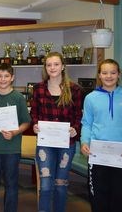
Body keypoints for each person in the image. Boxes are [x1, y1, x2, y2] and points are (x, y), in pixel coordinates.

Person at [80, 59, 122, 212]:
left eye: (113, 73)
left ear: (118, 75)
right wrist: (84, 142)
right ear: (99, 75)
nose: (109, 76)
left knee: (120, 195)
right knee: (98, 196)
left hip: (120, 154)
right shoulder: (90, 98)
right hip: (96, 154)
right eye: (105, 73)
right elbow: (86, 123)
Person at [30, 51, 82, 212]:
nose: (52, 67)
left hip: (67, 144)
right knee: (45, 185)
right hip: (45, 144)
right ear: (45, 67)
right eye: (49, 65)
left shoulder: (74, 89)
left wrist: (75, 129)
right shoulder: (38, 88)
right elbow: (34, 113)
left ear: (63, 66)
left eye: (56, 64)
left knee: (60, 184)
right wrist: (35, 125)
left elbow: (79, 115)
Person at [0, 63, 31, 212]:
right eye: (0, 76)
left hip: (12, 148)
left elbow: (26, 122)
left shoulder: (18, 98)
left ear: (12, 78)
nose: (3, 79)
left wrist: (15, 132)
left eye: (6, 76)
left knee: (11, 183)